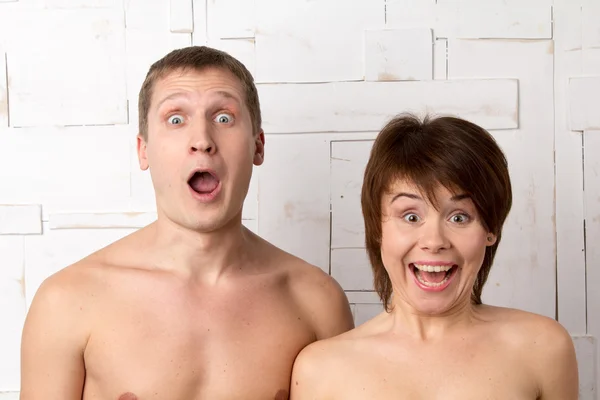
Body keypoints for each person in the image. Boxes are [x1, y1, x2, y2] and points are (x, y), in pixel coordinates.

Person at [19, 46, 354, 400]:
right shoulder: (67, 302)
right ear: (143, 149)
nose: (202, 141)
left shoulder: (316, 302)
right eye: (176, 119)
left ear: (258, 145)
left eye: (223, 118)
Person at [290, 113, 579, 399]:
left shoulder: (543, 348)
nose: (434, 241)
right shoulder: (320, 370)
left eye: (459, 217)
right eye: (411, 216)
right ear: (378, 228)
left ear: (490, 229)